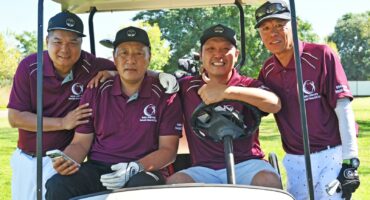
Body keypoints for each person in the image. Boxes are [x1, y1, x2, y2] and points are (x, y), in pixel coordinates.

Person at [45, 26, 183, 200]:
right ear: (115, 59)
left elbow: (168, 150)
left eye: (138, 53)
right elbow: (80, 142)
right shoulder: (95, 90)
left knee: (139, 188)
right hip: (99, 168)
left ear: (149, 58)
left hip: (144, 169)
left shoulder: (165, 95)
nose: (130, 60)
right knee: (57, 185)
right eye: (124, 53)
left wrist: (135, 167)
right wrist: (69, 160)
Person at [255, 1, 360, 199]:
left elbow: (343, 107)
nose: (272, 33)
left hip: (332, 154)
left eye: (279, 25)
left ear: (293, 25)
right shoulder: (267, 70)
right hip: (295, 159)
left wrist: (350, 160)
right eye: (266, 28)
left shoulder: (321, 54)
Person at [7, 11, 117, 200]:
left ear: (81, 44)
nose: (65, 49)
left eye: (73, 42)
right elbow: (15, 117)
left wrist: (113, 74)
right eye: (58, 41)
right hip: (27, 158)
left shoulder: (90, 64)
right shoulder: (30, 66)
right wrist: (63, 123)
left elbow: (133, 68)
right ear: (47, 40)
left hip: (63, 158)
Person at [166, 24, 282, 189]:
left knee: (268, 181)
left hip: (248, 164)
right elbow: (151, 82)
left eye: (225, 49)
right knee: (175, 184)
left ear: (236, 55)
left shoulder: (248, 85)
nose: (218, 54)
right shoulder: (186, 87)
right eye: (211, 49)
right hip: (204, 168)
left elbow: (274, 103)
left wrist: (226, 92)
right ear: (201, 55)